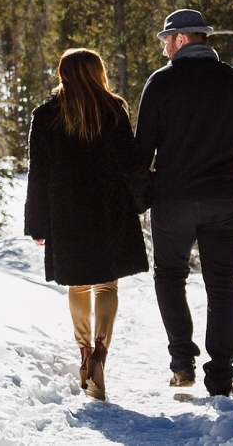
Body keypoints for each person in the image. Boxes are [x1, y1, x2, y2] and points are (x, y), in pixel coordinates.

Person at [135, 8, 233, 396]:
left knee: (169, 277)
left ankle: (182, 364)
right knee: (223, 285)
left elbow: (140, 152)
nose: (164, 48)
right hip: (225, 199)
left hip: (173, 201)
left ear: (181, 39)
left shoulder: (159, 84)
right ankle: (221, 376)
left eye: (166, 40)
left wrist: (142, 197)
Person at [25, 48, 149, 401]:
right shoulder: (113, 109)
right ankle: (99, 354)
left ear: (63, 73)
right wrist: (144, 199)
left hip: (66, 213)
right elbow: (130, 163)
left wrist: (37, 222)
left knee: (79, 286)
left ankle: (83, 358)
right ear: (98, 73)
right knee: (106, 286)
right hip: (109, 210)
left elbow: (39, 173)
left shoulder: (46, 114)